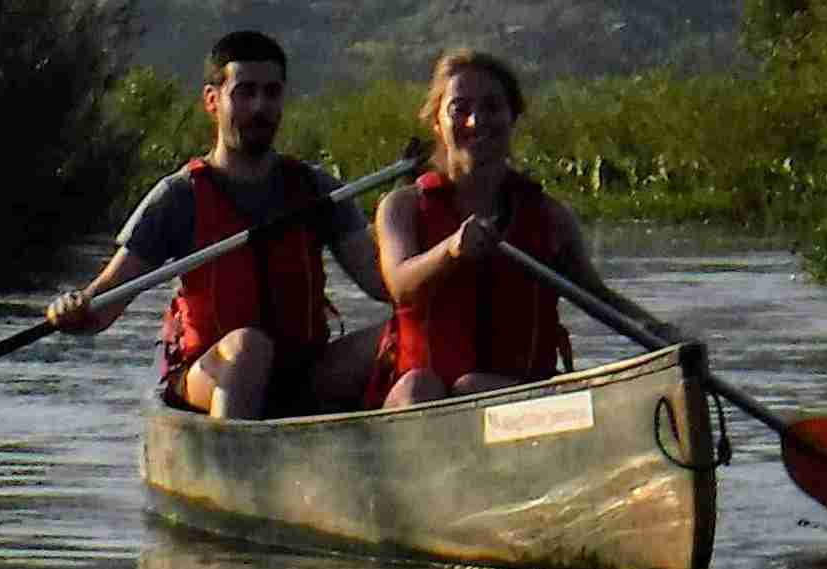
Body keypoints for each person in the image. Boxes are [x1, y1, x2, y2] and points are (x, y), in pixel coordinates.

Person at [48, 28, 388, 419]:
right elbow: (105, 301)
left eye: (272, 93)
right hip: (211, 377)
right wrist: (72, 310)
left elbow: (381, 281)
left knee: (400, 334)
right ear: (213, 100)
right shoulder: (178, 197)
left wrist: (447, 260)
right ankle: (235, 463)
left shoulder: (317, 190)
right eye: (245, 92)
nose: (260, 106)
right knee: (248, 347)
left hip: (303, 372)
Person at [374, 47, 598, 408]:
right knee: (418, 387)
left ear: (512, 117)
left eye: (492, 107)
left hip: (515, 399)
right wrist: (449, 251)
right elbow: (400, 286)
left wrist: (663, 336)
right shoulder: (401, 207)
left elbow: (598, 297)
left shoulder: (552, 217)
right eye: (459, 109)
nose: (476, 122)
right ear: (437, 122)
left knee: (474, 387)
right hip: (424, 400)